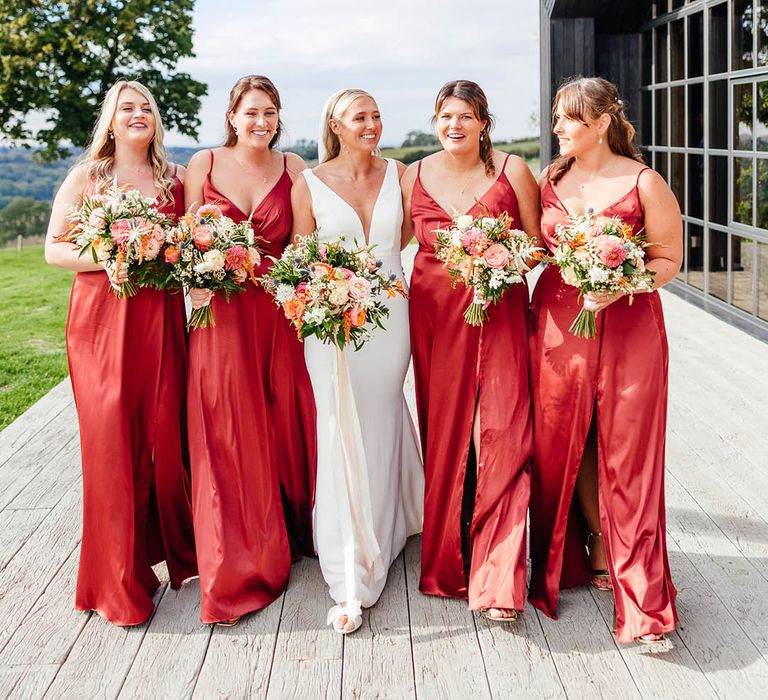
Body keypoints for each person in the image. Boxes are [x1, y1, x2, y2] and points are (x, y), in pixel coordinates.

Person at [528, 76, 681, 645]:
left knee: (629, 450)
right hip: (557, 325)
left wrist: (621, 285)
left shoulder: (644, 181)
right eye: (555, 118)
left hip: (630, 325)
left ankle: (644, 597)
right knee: (566, 441)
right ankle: (590, 544)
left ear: (598, 123)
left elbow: (668, 259)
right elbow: (540, 247)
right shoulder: (551, 178)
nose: (557, 128)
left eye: (567, 119)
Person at [44, 80, 196, 626]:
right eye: (126, 107)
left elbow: (189, 244)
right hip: (101, 325)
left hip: (158, 320)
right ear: (109, 120)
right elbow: (53, 248)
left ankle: (171, 554)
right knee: (111, 446)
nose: (138, 114)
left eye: (147, 108)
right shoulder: (87, 177)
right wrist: (105, 254)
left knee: (163, 437)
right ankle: (115, 581)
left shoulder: (174, 180)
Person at [401, 80, 541, 621]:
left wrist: (502, 260)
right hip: (434, 319)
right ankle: (449, 558)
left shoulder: (512, 171)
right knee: (447, 434)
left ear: (484, 121)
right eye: (444, 116)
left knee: (502, 432)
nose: (453, 125)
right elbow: (387, 240)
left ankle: (499, 575)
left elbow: (535, 245)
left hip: (498, 313)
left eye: (465, 116)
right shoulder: (413, 173)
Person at [291, 88, 423, 634]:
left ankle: (390, 527)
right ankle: (349, 569)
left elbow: (411, 235)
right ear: (335, 125)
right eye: (358, 117)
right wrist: (328, 296)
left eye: (375, 114)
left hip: (392, 320)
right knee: (341, 429)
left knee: (383, 419)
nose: (371, 124)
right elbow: (300, 258)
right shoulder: (310, 183)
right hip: (332, 326)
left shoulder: (404, 175)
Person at [184, 75, 315, 625]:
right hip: (220, 316)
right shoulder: (203, 165)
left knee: (282, 424)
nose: (261, 122)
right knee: (225, 430)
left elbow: (305, 246)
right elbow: (186, 237)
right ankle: (232, 562)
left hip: (277, 313)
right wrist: (198, 274)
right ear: (232, 115)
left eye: (270, 113)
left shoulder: (296, 169)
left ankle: (291, 530)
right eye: (251, 112)